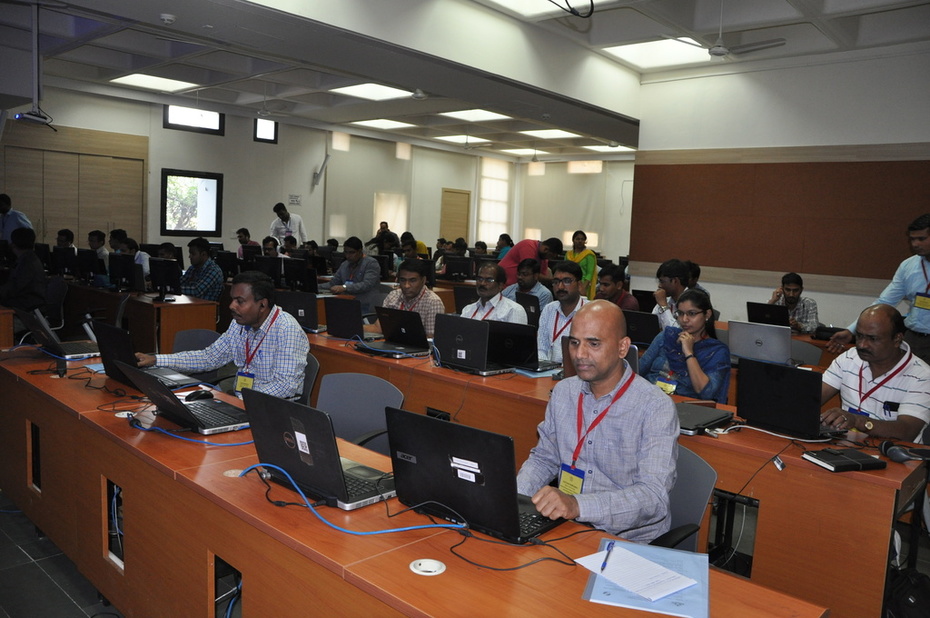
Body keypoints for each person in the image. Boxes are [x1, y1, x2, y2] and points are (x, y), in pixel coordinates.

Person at [516, 300, 678, 542]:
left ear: (622, 347)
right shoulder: (563, 392)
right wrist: (512, 500)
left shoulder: (654, 407)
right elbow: (544, 458)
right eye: (574, 343)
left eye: (593, 344)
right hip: (568, 529)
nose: (580, 354)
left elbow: (653, 497)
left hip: (627, 541)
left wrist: (578, 505)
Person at [135, 271, 308, 400]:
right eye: (232, 299)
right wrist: (157, 360)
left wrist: (236, 399)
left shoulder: (286, 329)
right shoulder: (240, 324)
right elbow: (210, 357)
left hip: (273, 407)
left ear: (262, 305)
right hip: (242, 398)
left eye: (239, 301)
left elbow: (285, 386)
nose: (232, 306)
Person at [820, 304, 930, 442]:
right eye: (859, 336)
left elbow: (907, 431)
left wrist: (858, 421)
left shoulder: (922, 376)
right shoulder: (849, 358)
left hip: (895, 454)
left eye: (872, 339)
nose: (862, 345)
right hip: (845, 447)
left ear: (897, 339)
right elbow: (812, 398)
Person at [829, 214, 930, 363]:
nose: (915, 244)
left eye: (921, 239)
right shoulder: (908, 266)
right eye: (912, 239)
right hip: (913, 339)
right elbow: (884, 302)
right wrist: (852, 330)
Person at [640, 289, 731, 404]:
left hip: (686, 408)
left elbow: (706, 392)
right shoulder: (666, 336)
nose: (684, 320)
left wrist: (689, 352)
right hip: (650, 399)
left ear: (707, 314)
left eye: (691, 314)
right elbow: (639, 369)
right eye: (680, 313)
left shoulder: (717, 351)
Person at [537, 261, 587, 363]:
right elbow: (541, 347)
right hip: (548, 371)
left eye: (567, 281)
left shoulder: (590, 312)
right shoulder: (549, 309)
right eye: (556, 282)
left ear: (580, 285)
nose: (560, 287)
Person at [381, 259, 445, 337]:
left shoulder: (433, 302)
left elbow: (431, 339)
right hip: (392, 343)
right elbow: (379, 327)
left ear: (423, 280)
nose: (406, 286)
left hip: (418, 348)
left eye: (412, 280)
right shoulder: (393, 295)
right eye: (403, 280)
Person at [320, 236, 381, 313]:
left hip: (365, 304)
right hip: (347, 302)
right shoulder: (344, 265)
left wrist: (345, 287)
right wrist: (316, 286)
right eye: (346, 252)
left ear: (360, 251)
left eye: (351, 252)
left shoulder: (371, 263)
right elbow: (333, 283)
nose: (348, 256)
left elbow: (366, 285)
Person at [0, 227, 47, 321]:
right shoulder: (28, 259)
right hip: (24, 307)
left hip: (26, 313)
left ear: (13, 244)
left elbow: (13, 288)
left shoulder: (27, 263)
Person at [461, 262, 527, 324]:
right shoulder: (468, 310)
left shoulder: (514, 310)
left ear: (500, 285)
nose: (482, 283)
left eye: (489, 280)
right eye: (480, 279)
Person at [498, 237, 563, 286]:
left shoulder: (543, 258)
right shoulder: (528, 246)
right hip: (505, 282)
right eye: (551, 256)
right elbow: (529, 272)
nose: (550, 259)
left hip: (520, 284)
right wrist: (553, 280)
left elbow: (542, 276)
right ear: (546, 249)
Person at [180, 237, 224, 302]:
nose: (190, 256)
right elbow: (181, 282)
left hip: (206, 309)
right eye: (190, 253)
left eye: (193, 254)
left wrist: (173, 289)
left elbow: (197, 291)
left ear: (203, 254)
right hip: (191, 305)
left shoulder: (213, 270)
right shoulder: (192, 268)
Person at [652, 259, 690, 329]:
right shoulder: (667, 299)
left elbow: (675, 333)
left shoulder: (692, 302)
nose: (659, 286)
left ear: (675, 281)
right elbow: (651, 324)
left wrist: (664, 306)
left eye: (662, 281)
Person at [565, 230, 597, 300]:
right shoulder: (568, 255)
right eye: (577, 239)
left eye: (582, 239)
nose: (580, 241)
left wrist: (583, 287)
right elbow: (564, 270)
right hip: (569, 283)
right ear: (573, 240)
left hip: (584, 284)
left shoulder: (589, 255)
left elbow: (589, 274)